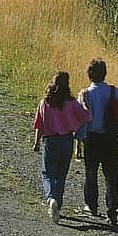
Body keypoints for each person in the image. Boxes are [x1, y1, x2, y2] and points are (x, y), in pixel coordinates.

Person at [80, 58, 118, 226]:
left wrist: (79, 142)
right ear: (105, 73)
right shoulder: (114, 92)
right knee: (112, 176)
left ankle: (92, 205)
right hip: (110, 138)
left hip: (92, 139)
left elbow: (82, 120)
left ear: (89, 75)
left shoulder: (86, 94)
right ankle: (112, 210)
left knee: (91, 173)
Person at [32, 70, 88, 222]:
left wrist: (36, 142)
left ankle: (51, 199)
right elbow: (86, 116)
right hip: (66, 140)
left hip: (50, 140)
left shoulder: (45, 103)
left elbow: (39, 124)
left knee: (47, 173)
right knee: (61, 175)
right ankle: (59, 203)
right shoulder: (71, 104)